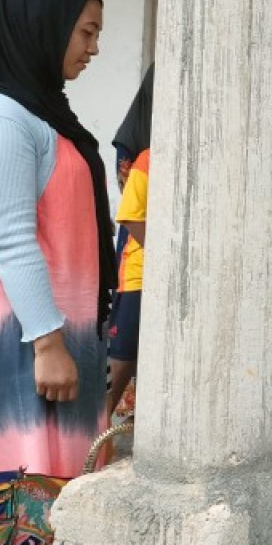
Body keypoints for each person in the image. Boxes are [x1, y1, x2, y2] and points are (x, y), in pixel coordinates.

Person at [0, 0, 115, 493]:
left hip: (52, 330)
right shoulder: (0, 120)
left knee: (64, 493)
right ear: (45, 23)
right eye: (85, 32)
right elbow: (12, 238)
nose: (93, 48)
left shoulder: (40, 114)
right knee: (20, 500)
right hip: (16, 332)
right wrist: (47, 342)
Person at [107, 145, 149, 418]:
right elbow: (131, 216)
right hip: (140, 273)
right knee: (124, 355)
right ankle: (101, 423)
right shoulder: (149, 160)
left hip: (183, 275)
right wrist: (170, 262)